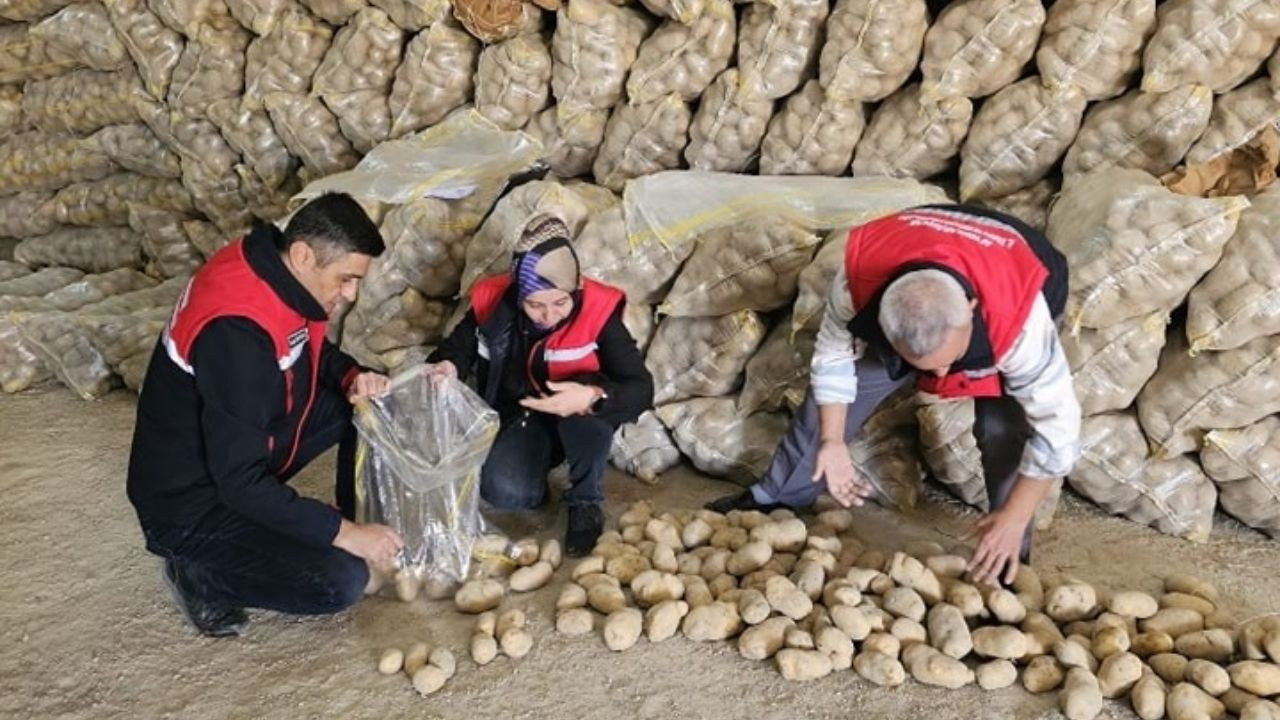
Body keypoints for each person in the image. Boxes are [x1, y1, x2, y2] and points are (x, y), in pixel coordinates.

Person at [707, 205, 1081, 586]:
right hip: (917, 261)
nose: (939, 376)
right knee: (841, 395)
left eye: (947, 362)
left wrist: (1016, 517)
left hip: (1019, 270)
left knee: (1002, 427)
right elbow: (833, 361)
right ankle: (776, 497)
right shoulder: (857, 284)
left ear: (970, 310)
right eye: (923, 365)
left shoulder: (1019, 321)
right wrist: (833, 442)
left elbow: (1058, 431)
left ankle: (1007, 553)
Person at [127, 193, 404, 638]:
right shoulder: (237, 332)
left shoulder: (274, 270)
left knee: (365, 405)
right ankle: (198, 576)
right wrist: (343, 534)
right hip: (192, 502)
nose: (351, 293)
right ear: (302, 255)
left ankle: (356, 525)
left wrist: (354, 375)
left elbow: (307, 346)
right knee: (339, 581)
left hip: (242, 441)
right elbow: (239, 482)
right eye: (347, 279)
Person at [423, 215, 654, 556]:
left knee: (587, 417)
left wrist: (592, 396)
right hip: (522, 413)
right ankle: (539, 456)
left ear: (575, 290)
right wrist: (448, 365)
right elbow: (458, 346)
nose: (549, 315)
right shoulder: (492, 302)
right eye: (535, 305)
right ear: (519, 296)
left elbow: (640, 388)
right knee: (508, 494)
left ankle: (585, 499)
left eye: (561, 302)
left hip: (581, 415)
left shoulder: (598, 310)